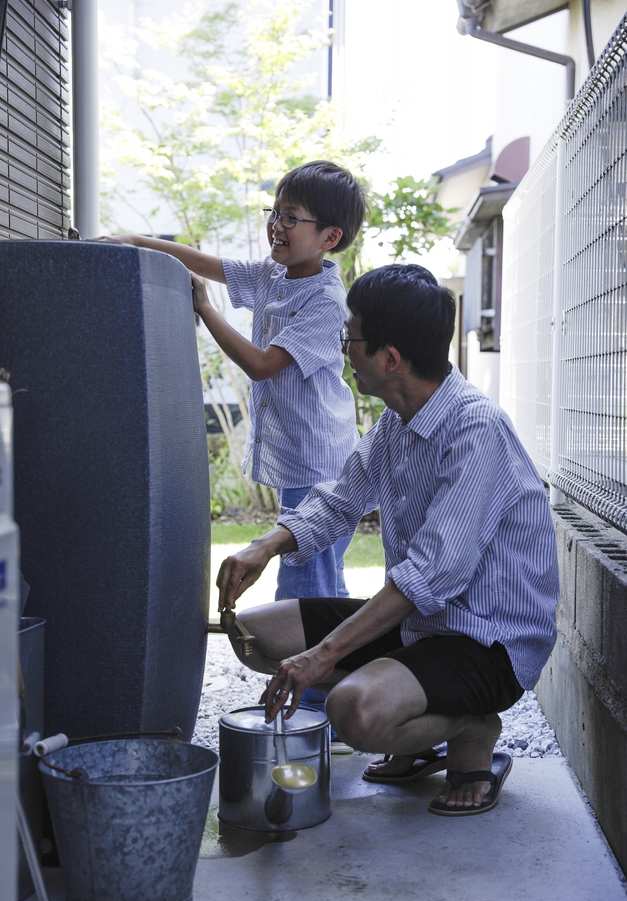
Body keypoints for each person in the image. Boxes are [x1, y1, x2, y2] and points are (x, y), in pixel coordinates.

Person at [216, 263, 560, 817]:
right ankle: (417, 735)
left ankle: (472, 730)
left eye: (350, 336)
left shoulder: (476, 430)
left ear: (390, 358)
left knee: (354, 713)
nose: (343, 348)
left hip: (486, 641)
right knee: (255, 635)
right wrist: (266, 545)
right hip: (422, 625)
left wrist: (322, 657)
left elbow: (430, 575)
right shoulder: (397, 422)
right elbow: (340, 500)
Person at [97, 161, 367, 601]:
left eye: (291, 218)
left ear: (330, 238)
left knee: (303, 589)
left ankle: (299, 666)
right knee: (323, 584)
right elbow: (206, 262)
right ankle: (329, 664)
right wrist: (133, 241)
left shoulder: (326, 301)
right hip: (304, 462)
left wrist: (206, 308)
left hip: (321, 466)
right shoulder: (271, 274)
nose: (276, 225)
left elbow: (263, 364)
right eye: (275, 212)